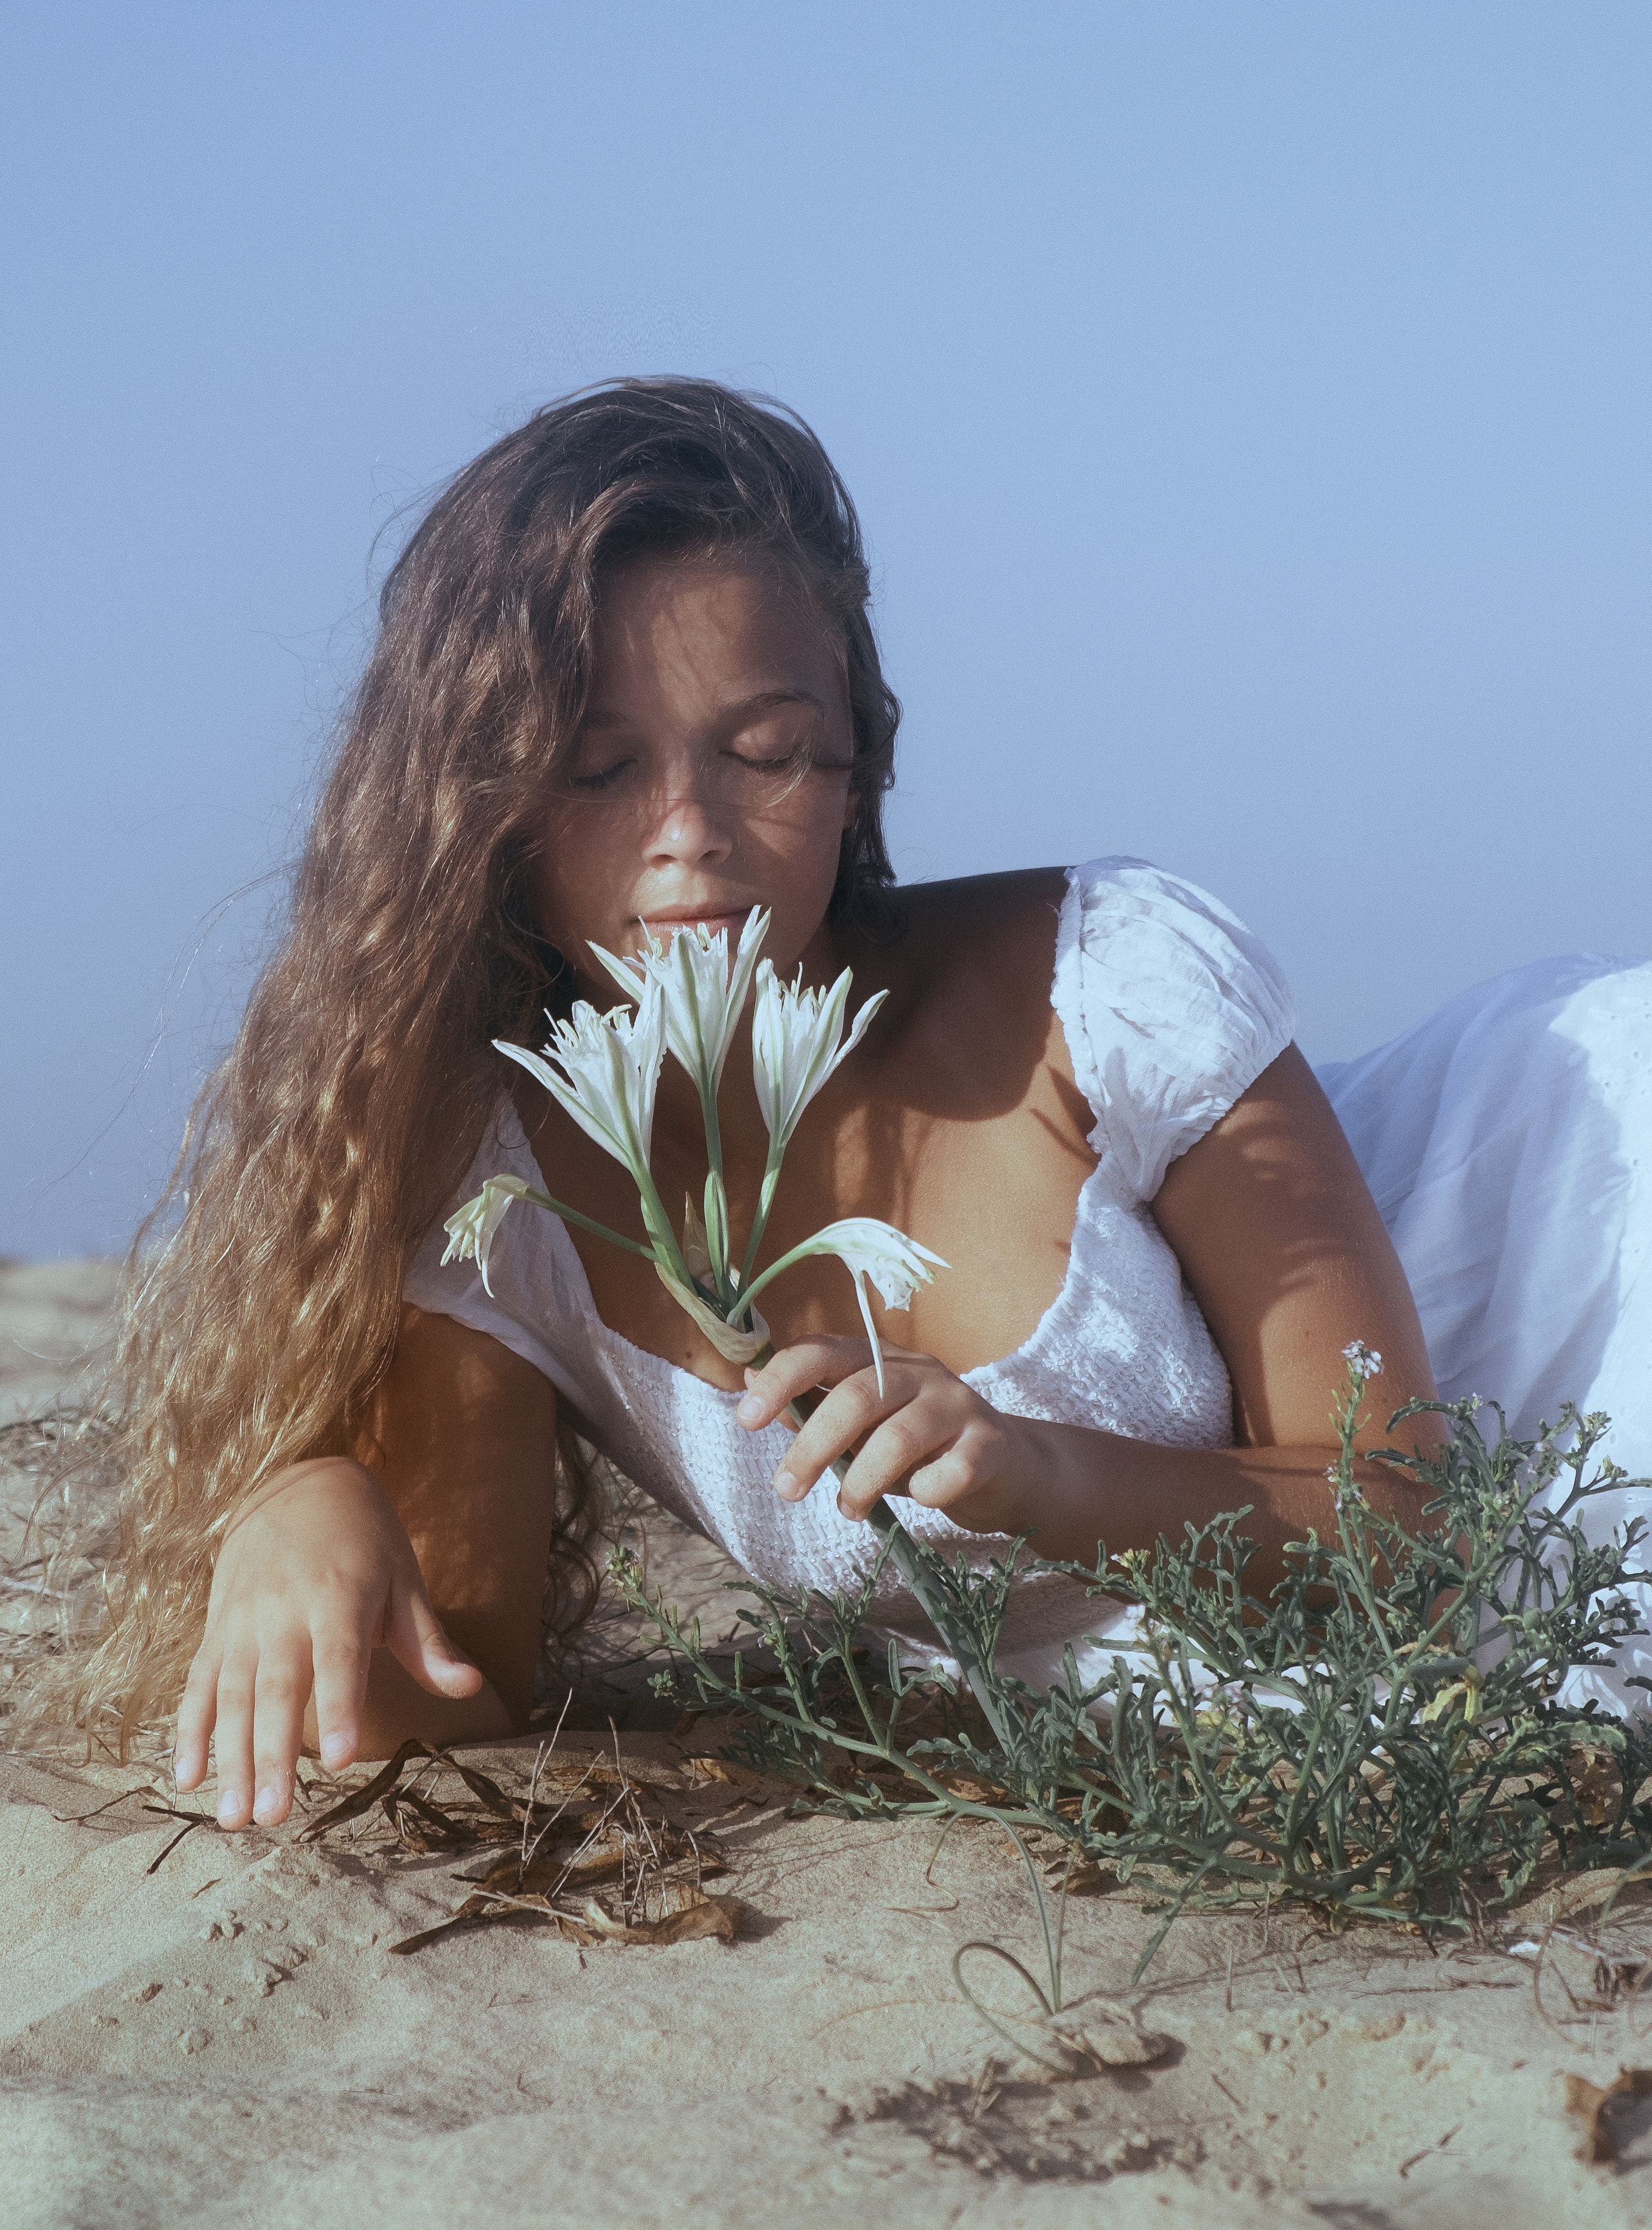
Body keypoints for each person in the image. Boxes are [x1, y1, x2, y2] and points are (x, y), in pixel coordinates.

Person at [81, 379, 1646, 1833]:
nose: (685, 836)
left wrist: (1031, 1472)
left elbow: (1404, 1530)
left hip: (1556, 1293)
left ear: (855, 767)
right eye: (595, 769)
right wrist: (304, 1499)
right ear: (481, 809)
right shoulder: (498, 1192)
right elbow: (458, 1699)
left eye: (764, 753)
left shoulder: (1106, 989)